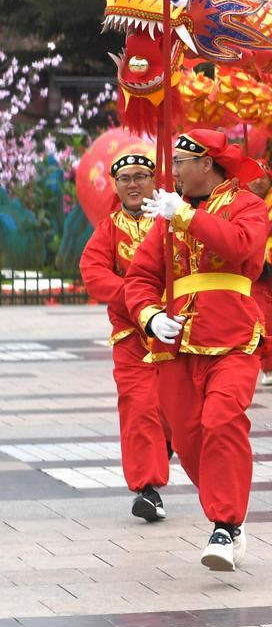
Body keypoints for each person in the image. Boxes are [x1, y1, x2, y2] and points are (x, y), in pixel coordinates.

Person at [124, 130, 268, 571]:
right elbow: (140, 277)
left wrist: (185, 215)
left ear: (206, 164)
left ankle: (225, 525)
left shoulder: (248, 205)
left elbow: (240, 246)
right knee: (188, 437)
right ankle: (231, 515)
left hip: (234, 334)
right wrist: (149, 316)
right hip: (177, 342)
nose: (173, 173)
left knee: (222, 420)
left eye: (181, 163)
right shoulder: (169, 217)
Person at [79, 149, 169, 523]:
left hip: (177, 332)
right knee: (138, 408)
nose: (134, 185)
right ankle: (147, 488)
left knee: (172, 413)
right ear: (115, 187)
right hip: (131, 337)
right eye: (125, 179)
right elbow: (94, 272)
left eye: (141, 177)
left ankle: (163, 451)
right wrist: (137, 300)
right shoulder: (109, 228)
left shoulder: (172, 220)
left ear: (154, 182)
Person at [245, 170, 272, 387]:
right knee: (264, 316)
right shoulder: (241, 199)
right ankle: (268, 365)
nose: (258, 181)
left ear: (271, 178)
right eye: (254, 176)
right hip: (255, 261)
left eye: (263, 176)